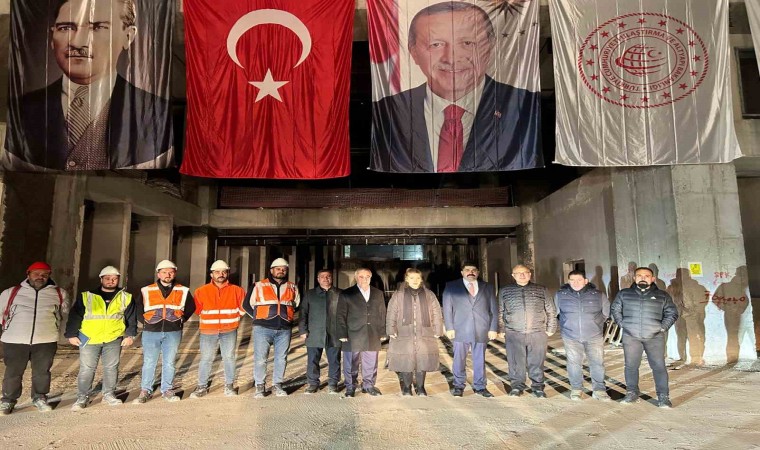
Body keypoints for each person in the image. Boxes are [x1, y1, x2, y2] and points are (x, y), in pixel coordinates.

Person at [370, 1, 541, 173]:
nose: (451, 58)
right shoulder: (388, 111)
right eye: (436, 44)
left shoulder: (523, 105)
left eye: (467, 43)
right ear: (413, 52)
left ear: (490, 46)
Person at [4, 0, 172, 170]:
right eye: (66, 28)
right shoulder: (20, 110)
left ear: (128, 36)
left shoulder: (155, 113)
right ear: (52, 38)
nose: (78, 43)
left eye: (98, 27)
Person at [0, 262, 68, 415]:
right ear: (28, 274)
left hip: (46, 340)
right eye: (36, 273)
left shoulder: (59, 293)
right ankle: (8, 400)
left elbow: (65, 315)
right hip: (15, 340)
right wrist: (11, 328)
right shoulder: (11, 292)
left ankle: (39, 398)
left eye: (44, 274)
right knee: (13, 372)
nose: (40, 277)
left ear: (49, 276)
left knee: (42, 372)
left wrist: (58, 333)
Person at [65, 265, 136, 410]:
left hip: (113, 338)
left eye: (114, 279)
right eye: (108, 278)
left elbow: (131, 318)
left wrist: (130, 335)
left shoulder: (125, 297)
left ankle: (109, 394)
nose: (111, 281)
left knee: (111, 368)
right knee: (87, 369)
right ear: (101, 279)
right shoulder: (87, 296)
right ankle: (82, 397)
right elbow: (75, 316)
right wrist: (71, 334)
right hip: (89, 338)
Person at [611, 267, 679, 408]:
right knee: (631, 366)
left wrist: (662, 327)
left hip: (655, 337)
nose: (643, 278)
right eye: (639, 276)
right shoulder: (624, 294)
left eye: (647, 276)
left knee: (659, 366)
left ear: (653, 279)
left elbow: (672, 313)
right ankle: (632, 393)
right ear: (634, 278)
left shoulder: (662, 295)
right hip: (631, 337)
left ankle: (663, 397)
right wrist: (623, 324)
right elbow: (615, 309)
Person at [133, 260, 195, 404]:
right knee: (149, 362)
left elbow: (191, 306)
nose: (168, 275)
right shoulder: (147, 290)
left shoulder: (183, 290)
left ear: (175, 273)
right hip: (151, 331)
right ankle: (145, 390)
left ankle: (167, 389)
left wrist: (182, 319)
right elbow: (138, 307)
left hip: (173, 331)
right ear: (158, 274)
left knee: (169, 362)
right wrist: (145, 321)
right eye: (164, 272)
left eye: (171, 272)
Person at [243, 258, 300, 398]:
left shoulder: (292, 287)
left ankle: (277, 385)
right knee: (261, 359)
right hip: (263, 328)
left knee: (281, 358)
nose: (281, 271)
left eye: (284, 269)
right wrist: (257, 318)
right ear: (271, 270)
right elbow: (246, 305)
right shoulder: (258, 285)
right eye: (278, 269)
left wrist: (288, 316)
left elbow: (296, 304)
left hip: (284, 329)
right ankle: (260, 386)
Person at [498, 264, 557, 399]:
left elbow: (551, 310)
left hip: (537, 332)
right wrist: (501, 328)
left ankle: (538, 387)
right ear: (513, 276)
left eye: (525, 272)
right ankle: (517, 386)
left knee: (537, 361)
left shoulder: (541, 289)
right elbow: (500, 311)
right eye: (518, 273)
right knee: (515, 362)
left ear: (530, 274)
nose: (522, 275)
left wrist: (551, 328)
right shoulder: (505, 291)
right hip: (514, 332)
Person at [189, 260, 245, 399]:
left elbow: (243, 308)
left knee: (229, 358)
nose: (221, 274)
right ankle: (202, 386)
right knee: (206, 359)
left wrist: (234, 318)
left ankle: (229, 386)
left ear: (227, 273)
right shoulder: (201, 291)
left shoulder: (237, 290)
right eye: (217, 272)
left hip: (229, 330)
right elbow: (197, 309)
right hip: (208, 330)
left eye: (224, 272)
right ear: (211, 274)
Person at [442, 261, 498, 397]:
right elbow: (447, 309)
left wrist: (493, 328)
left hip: (481, 329)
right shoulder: (451, 286)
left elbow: (494, 309)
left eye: (473, 270)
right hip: (460, 329)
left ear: (478, 272)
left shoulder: (488, 287)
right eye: (467, 270)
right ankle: (458, 385)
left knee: (479, 359)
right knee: (459, 359)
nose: (470, 272)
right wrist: (449, 327)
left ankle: (480, 386)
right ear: (462, 272)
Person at [554, 270, 610, 401]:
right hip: (570, 336)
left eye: (579, 280)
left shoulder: (598, 295)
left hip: (594, 336)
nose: (576, 283)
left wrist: (595, 324)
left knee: (597, 363)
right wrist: (566, 324)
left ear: (586, 281)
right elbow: (555, 313)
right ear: (568, 281)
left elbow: (606, 313)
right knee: (574, 363)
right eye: (572, 280)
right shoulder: (560, 295)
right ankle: (576, 389)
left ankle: (599, 390)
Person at [387, 268, 443, 396]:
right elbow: (391, 312)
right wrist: (390, 329)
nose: (415, 280)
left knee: (422, 360)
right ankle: (407, 387)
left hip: (424, 332)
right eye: (412, 278)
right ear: (406, 279)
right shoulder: (398, 294)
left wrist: (438, 329)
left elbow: (436, 312)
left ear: (421, 279)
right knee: (406, 360)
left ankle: (420, 387)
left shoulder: (429, 295)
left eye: (418, 278)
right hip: (404, 332)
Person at [336, 268, 387, 397]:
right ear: (356, 277)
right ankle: (350, 387)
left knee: (371, 362)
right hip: (352, 334)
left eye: (367, 276)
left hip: (372, 333)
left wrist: (382, 332)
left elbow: (382, 313)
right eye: (361, 276)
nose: (364, 279)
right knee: (350, 363)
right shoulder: (347, 294)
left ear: (371, 277)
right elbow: (340, 315)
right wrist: (342, 333)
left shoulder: (378, 293)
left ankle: (368, 386)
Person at [299, 269, 343, 394]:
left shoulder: (340, 293)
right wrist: (303, 330)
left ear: (332, 278)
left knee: (334, 360)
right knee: (313, 360)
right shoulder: (310, 294)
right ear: (318, 279)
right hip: (314, 332)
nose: (325, 279)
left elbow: (346, 314)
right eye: (322, 277)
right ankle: (313, 383)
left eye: (328, 276)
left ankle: (333, 384)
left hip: (334, 333)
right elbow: (303, 313)